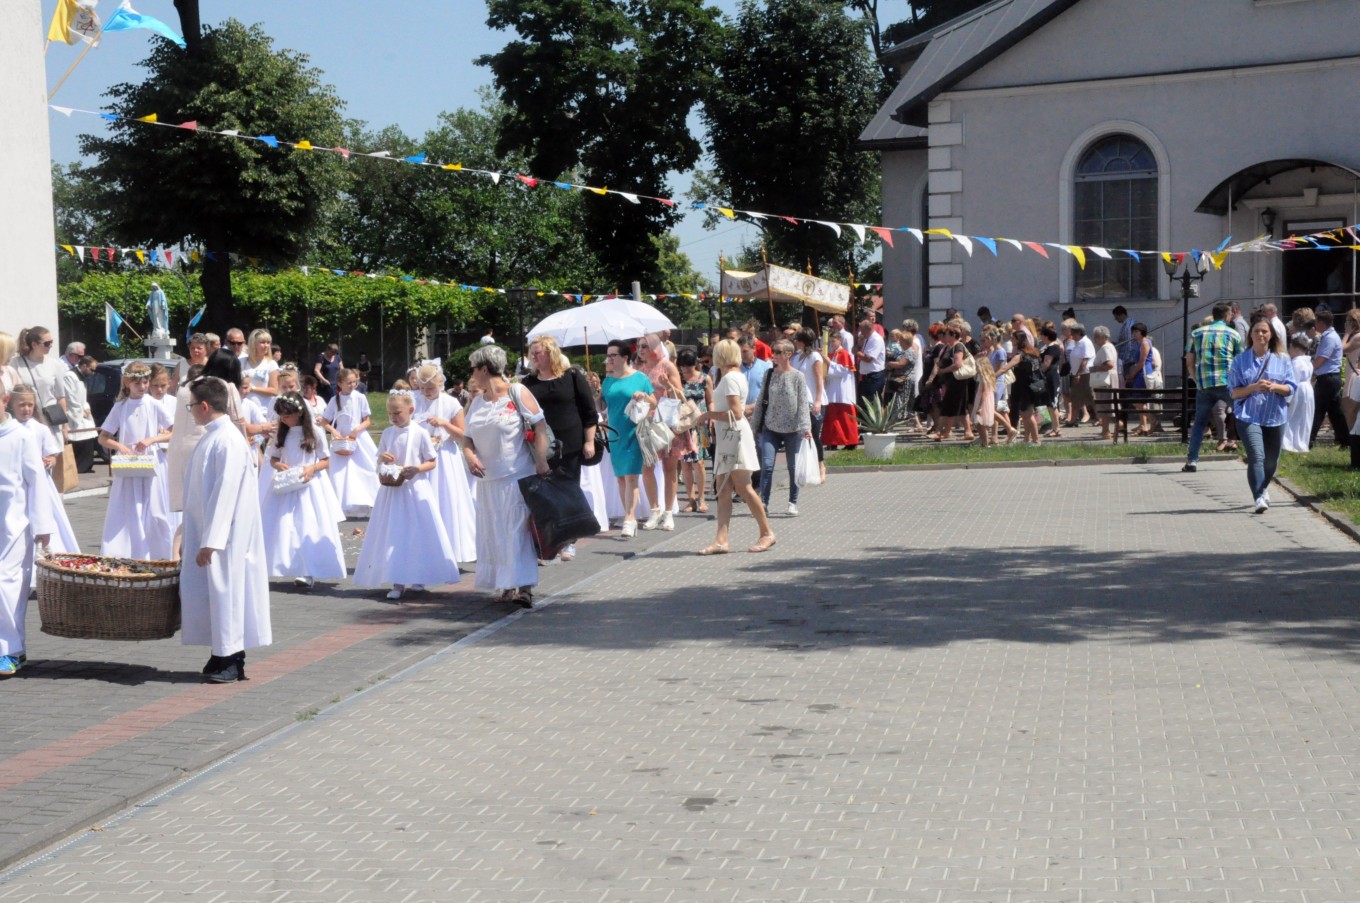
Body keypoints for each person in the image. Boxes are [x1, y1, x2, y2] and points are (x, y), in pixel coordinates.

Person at [180, 377, 272, 683]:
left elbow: (225, 492)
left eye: (192, 406)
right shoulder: (213, 436)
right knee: (213, 594)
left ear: (205, 406)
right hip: (209, 529)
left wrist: (212, 540)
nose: (191, 411)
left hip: (226, 536)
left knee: (228, 592)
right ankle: (220, 653)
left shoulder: (228, 440)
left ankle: (232, 659)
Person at [462, 346, 550, 606]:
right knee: (495, 533)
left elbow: (540, 425)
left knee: (517, 531)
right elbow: (467, 437)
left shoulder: (517, 391)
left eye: (473, 369)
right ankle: (506, 583)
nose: (471, 374)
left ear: (484, 369)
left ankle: (524, 587)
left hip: (516, 475)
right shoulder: (477, 401)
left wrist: (542, 460)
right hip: (487, 480)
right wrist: (469, 456)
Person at [354, 391, 459, 600]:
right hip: (392, 491)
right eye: (390, 414)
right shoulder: (387, 433)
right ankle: (398, 580)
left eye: (397, 413)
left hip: (414, 489)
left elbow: (431, 461)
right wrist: (382, 459)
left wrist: (417, 469)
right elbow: (379, 459)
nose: (393, 417)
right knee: (396, 533)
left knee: (417, 532)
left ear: (410, 410)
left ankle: (419, 574)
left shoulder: (420, 433)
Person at [697, 339, 776, 555]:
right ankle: (721, 540)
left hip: (734, 437)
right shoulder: (732, 375)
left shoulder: (731, 378)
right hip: (728, 437)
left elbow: (736, 413)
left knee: (743, 487)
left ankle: (767, 532)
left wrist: (708, 415)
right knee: (723, 489)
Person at [261, 392, 347, 588]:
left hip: (309, 485)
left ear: (299, 412)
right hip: (287, 485)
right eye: (281, 416)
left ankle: (307, 570)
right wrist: (278, 465)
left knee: (307, 526)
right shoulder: (281, 433)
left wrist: (311, 468)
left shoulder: (314, 432)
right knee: (283, 527)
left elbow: (326, 460)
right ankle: (281, 564)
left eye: (287, 416)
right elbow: (273, 457)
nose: (284, 419)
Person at [0, 382, 54, 677]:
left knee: (6, 587)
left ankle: (6, 651)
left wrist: (42, 526)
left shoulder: (21, 436)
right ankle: (15, 648)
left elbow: (37, 482)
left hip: (15, 525)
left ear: (4, 399)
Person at [98, 362, 174, 560]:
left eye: (145, 382)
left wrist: (152, 439)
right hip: (129, 465)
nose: (142, 387)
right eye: (137, 383)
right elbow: (103, 437)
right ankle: (125, 552)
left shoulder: (153, 404)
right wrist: (120, 446)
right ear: (127, 383)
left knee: (155, 510)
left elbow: (173, 432)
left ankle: (158, 553)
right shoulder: (120, 407)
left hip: (151, 463)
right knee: (128, 508)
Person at [411, 362, 477, 565]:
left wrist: (444, 424)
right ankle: (424, 549)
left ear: (440, 383)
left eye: (430, 388)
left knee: (446, 500)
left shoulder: (451, 403)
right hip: (421, 457)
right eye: (423, 388)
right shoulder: (414, 400)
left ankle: (450, 550)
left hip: (445, 458)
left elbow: (463, 435)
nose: (426, 392)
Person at [7, 385, 79, 572]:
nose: (26, 409)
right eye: (22, 405)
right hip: (18, 484)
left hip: (41, 484)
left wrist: (49, 461)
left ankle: (49, 561)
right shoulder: (8, 429)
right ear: (11, 405)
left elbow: (53, 454)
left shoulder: (40, 429)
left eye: (30, 405)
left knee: (45, 517)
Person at [1229, 319, 1296, 513]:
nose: (1261, 335)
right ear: (1250, 334)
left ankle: (1263, 486)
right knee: (1257, 456)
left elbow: (1291, 387)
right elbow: (1234, 392)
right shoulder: (1240, 360)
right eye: (1257, 331)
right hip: (1248, 416)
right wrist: (1254, 387)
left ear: (1271, 335)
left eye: (1265, 331)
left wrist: (1274, 386)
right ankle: (1258, 496)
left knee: (1271, 460)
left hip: (1275, 416)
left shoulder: (1282, 359)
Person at [167, 350, 244, 516]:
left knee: (188, 511)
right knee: (210, 508)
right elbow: (238, 421)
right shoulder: (224, 387)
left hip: (177, 449)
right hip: (206, 447)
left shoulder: (187, 384)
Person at [600, 340, 653, 538]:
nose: (609, 359)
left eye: (613, 355)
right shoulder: (608, 381)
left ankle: (629, 518)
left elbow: (654, 401)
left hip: (634, 432)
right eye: (608, 355)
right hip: (615, 433)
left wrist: (643, 396)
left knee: (631, 476)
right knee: (621, 478)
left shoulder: (640, 378)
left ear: (625, 357)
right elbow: (603, 405)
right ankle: (629, 516)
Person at [1182, 303, 1244, 473]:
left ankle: (1192, 461)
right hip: (1227, 383)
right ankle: (1252, 454)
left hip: (1205, 384)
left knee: (1199, 423)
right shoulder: (1233, 334)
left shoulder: (1196, 333)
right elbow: (1240, 361)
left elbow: (1189, 362)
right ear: (1227, 315)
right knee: (1241, 417)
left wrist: (1197, 380)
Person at [753, 339, 812, 516]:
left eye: (778, 352)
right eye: (774, 351)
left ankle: (792, 502)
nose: (774, 355)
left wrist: (806, 427)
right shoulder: (769, 374)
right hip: (771, 427)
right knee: (767, 465)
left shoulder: (798, 376)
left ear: (788, 355)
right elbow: (760, 401)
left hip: (793, 429)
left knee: (793, 468)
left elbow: (803, 403)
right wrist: (754, 426)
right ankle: (764, 502)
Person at [636, 333, 688, 531]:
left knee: (669, 468)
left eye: (644, 346)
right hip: (647, 423)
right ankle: (654, 510)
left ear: (654, 347)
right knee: (647, 467)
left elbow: (681, 396)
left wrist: (668, 386)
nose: (640, 350)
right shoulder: (639, 370)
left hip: (667, 422)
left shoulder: (667, 366)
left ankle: (668, 513)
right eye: (639, 347)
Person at [321, 368, 380, 517]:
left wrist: (356, 430)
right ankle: (342, 505)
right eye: (349, 382)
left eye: (354, 382)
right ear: (340, 383)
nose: (352, 385)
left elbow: (367, 420)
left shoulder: (360, 397)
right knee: (341, 472)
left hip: (358, 437)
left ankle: (368, 500)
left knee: (365, 468)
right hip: (341, 439)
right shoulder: (335, 400)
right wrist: (334, 432)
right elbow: (325, 421)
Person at [12, 326, 68, 449]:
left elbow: (60, 397)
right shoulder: (16, 363)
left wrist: (64, 426)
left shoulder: (55, 364)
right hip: (26, 419)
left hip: (50, 420)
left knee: (52, 456)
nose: (50, 346)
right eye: (47, 343)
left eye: (51, 342)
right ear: (34, 344)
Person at [676, 348, 712, 514]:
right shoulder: (678, 379)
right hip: (683, 425)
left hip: (700, 423)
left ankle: (701, 498)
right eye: (682, 365)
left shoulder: (704, 378)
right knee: (685, 463)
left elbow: (710, 400)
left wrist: (711, 418)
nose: (685, 369)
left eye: (688, 365)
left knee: (699, 462)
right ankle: (690, 499)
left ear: (694, 364)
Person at [791, 328, 827, 483]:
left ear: (803, 341)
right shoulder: (796, 356)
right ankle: (806, 468)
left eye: (796, 339)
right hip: (800, 401)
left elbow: (819, 380)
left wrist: (818, 401)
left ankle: (821, 466)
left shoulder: (814, 357)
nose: (794, 341)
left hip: (814, 400)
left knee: (814, 434)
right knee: (802, 435)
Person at [1310, 309, 1348, 449]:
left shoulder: (1329, 338)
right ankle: (1345, 441)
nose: (1315, 325)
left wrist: (1309, 370)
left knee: (1317, 410)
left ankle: (1308, 441)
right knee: (1335, 412)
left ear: (1321, 323)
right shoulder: (1328, 336)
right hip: (1329, 378)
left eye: (1316, 322)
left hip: (1328, 379)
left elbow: (1321, 359)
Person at [929, 322, 971, 441]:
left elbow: (957, 364)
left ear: (953, 335)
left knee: (947, 406)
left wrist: (943, 370)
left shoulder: (958, 347)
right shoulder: (950, 347)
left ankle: (940, 432)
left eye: (947, 334)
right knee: (961, 408)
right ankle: (967, 432)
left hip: (957, 381)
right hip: (953, 381)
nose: (945, 337)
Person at [821, 331, 859, 449]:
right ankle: (833, 441)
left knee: (845, 416)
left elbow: (842, 371)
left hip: (843, 389)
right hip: (832, 388)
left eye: (834, 341)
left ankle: (851, 442)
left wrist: (828, 361)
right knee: (832, 416)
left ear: (840, 340)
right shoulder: (831, 354)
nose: (832, 344)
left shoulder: (844, 354)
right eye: (830, 342)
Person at [63, 355, 99, 472]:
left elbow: (83, 396)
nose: (93, 373)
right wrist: (79, 411)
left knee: (90, 434)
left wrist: (86, 407)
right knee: (78, 437)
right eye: (92, 369)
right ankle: (78, 467)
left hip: (83, 410)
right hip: (74, 412)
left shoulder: (83, 377)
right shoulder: (69, 376)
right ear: (84, 366)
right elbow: (70, 397)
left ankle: (86, 465)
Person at [1282, 335, 1315, 454]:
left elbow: (1293, 380)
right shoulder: (1308, 362)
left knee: (1293, 416)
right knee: (1304, 416)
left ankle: (1289, 443)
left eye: (1290, 348)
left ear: (1296, 349)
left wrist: (1288, 398)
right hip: (1308, 389)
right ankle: (1301, 442)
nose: (1289, 351)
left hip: (1298, 390)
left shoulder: (1296, 362)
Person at [1124, 322, 1157, 435]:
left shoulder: (1144, 343)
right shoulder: (1138, 343)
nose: (1134, 333)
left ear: (1142, 332)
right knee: (1139, 400)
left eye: (1136, 331)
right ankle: (1143, 425)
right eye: (1133, 331)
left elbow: (1142, 362)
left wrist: (1132, 374)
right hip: (1139, 373)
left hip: (1143, 373)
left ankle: (1152, 419)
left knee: (1137, 400)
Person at [1089, 325, 1120, 441]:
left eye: (1096, 336)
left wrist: (1095, 368)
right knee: (1110, 404)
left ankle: (1106, 431)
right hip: (1111, 378)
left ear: (1103, 337)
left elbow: (1110, 364)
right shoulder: (1110, 346)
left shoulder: (1105, 348)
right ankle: (1115, 426)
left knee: (1105, 404)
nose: (1094, 339)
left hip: (1106, 380)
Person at [1065, 324, 1096, 427]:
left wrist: (1079, 374)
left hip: (1085, 374)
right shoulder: (1077, 343)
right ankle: (1073, 420)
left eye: (1073, 333)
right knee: (1075, 397)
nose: (1071, 335)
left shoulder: (1085, 342)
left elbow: (1085, 360)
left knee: (1091, 397)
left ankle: (1100, 418)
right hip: (1076, 374)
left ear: (1078, 333)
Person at [241, 329, 280, 409]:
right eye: (262, 342)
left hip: (263, 409)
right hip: (243, 408)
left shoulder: (271, 364)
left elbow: (275, 391)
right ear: (253, 344)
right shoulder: (241, 361)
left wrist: (252, 388)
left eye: (268, 343)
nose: (266, 345)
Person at [854, 313, 886, 404]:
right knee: (862, 402)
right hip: (865, 376)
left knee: (871, 403)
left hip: (874, 376)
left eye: (862, 330)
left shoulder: (876, 339)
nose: (860, 332)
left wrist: (857, 352)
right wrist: (859, 344)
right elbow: (854, 350)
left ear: (868, 329)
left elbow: (869, 358)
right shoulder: (866, 338)